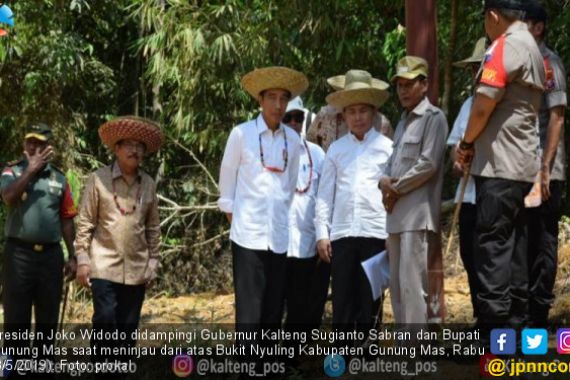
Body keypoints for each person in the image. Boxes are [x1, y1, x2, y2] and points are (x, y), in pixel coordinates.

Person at [455, 0, 545, 328]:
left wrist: (466, 143)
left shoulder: (503, 47)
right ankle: (517, 337)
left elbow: (483, 106)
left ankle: (494, 346)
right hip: (523, 169)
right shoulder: (533, 48)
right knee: (516, 256)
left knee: (492, 254)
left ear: (493, 16)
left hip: (499, 169)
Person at [218, 67, 306, 344]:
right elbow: (227, 184)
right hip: (248, 236)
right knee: (249, 313)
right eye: (272, 97)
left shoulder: (293, 141)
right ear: (260, 99)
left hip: (279, 237)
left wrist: (279, 218)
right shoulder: (241, 134)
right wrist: (239, 221)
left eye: (283, 98)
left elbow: (290, 187)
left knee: (272, 309)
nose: (278, 105)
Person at [74, 116, 163, 370]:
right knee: (105, 320)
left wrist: (153, 262)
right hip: (103, 266)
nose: (135, 150)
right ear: (117, 148)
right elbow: (86, 223)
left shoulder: (148, 184)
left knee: (127, 329)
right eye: (129, 144)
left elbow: (153, 227)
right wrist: (82, 260)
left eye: (140, 146)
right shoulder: (98, 180)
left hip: (136, 269)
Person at [315, 69, 392, 338]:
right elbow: (325, 195)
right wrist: (322, 234)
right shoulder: (336, 150)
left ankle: (368, 354)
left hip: (375, 231)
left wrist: (391, 233)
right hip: (343, 233)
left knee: (370, 296)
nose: (357, 117)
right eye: (351, 112)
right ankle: (342, 354)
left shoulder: (386, 148)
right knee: (343, 297)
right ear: (343, 115)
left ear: (373, 113)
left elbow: (393, 196)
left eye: (363, 111)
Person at [379, 56, 448, 325]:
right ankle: (403, 344)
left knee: (412, 286)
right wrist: (382, 180)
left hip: (417, 216)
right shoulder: (403, 120)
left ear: (424, 85)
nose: (404, 91)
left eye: (409, 84)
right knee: (396, 285)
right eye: (399, 85)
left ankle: (414, 350)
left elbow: (428, 164)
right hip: (396, 217)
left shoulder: (434, 118)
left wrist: (394, 188)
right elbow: (391, 161)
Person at [0, 123, 77, 361]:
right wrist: (30, 171)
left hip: (50, 259)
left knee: (47, 322)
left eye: (39, 143)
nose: (33, 147)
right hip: (18, 257)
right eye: (30, 142)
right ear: (24, 145)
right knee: (15, 323)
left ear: (48, 148)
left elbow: (66, 220)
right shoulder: (11, 172)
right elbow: (9, 197)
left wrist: (73, 255)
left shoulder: (60, 179)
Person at [524, 0, 567, 327]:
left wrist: (545, 169)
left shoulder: (548, 63)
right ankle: (522, 310)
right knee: (523, 239)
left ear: (538, 27)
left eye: (522, 23)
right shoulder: (519, 61)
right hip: (521, 167)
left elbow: (556, 117)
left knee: (542, 240)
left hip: (545, 169)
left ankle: (538, 313)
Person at [447, 37, 487, 321]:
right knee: (470, 259)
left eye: (481, 67)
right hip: (469, 196)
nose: (477, 74)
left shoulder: (507, 106)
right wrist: (458, 162)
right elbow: (453, 147)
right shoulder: (468, 105)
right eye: (474, 69)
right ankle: (480, 319)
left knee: (494, 264)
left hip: (495, 196)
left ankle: (496, 326)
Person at [280, 97, 328, 333]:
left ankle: (294, 362)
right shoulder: (263, 151)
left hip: (306, 245)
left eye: (297, 117)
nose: (293, 122)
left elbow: (324, 198)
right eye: (286, 117)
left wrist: (323, 235)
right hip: (275, 244)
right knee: (272, 307)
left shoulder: (317, 155)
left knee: (302, 308)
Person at [307, 75, 393, 152]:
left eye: (363, 110)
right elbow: (310, 145)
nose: (357, 117)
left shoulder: (382, 123)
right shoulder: (325, 116)